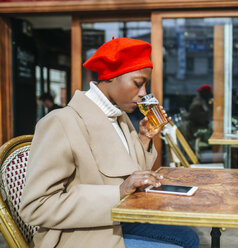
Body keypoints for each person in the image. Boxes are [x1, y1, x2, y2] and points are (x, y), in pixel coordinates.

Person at [19, 37, 199, 248]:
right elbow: (36, 207)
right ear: (111, 77)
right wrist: (117, 193)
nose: (143, 94)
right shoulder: (60, 122)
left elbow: (131, 176)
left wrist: (144, 137)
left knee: (189, 236)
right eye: (138, 83)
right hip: (80, 235)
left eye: (145, 85)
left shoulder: (120, 118)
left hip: (116, 221)